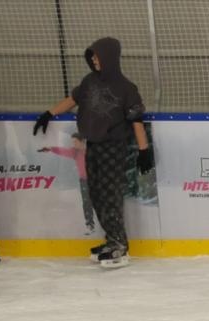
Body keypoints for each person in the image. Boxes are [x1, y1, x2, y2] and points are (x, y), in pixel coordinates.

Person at [32, 37, 152, 268]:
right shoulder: (89, 82)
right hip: (93, 145)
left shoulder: (126, 88)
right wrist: (49, 113)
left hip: (113, 146)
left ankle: (119, 244)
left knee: (109, 193)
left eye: (97, 55)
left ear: (108, 57)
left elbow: (136, 121)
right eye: (92, 56)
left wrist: (143, 150)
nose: (94, 60)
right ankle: (110, 239)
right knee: (95, 193)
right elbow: (72, 99)